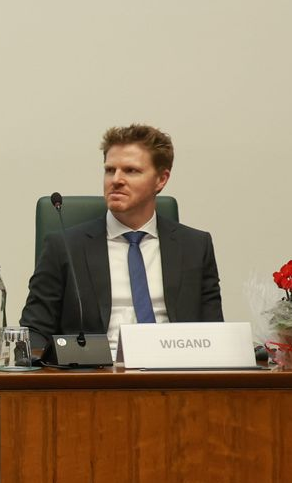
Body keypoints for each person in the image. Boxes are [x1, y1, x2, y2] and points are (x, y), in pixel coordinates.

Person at [20, 124, 222, 348]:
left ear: (161, 179)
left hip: (173, 364)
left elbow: (214, 333)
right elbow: (34, 332)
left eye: (131, 171)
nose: (116, 180)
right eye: (110, 170)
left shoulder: (195, 247)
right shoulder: (64, 247)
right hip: (97, 367)